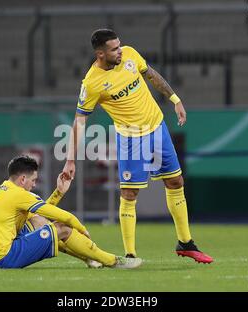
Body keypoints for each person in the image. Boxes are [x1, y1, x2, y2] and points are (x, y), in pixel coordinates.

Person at [62, 29, 213, 264]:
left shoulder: (130, 54)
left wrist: (175, 99)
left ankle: (185, 243)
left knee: (175, 181)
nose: (120, 51)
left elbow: (151, 75)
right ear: (100, 54)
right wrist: (70, 159)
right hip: (131, 138)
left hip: (157, 128)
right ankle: (130, 254)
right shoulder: (92, 83)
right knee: (130, 193)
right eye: (114, 49)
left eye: (119, 45)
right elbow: (80, 120)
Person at [0, 155, 143, 269]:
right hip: (2, 258)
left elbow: (41, 214)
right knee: (62, 228)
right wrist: (82, 229)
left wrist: (59, 192)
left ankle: (89, 259)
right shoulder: (18, 195)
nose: (33, 184)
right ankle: (111, 261)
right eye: (33, 180)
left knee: (39, 222)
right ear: (22, 179)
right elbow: (63, 216)